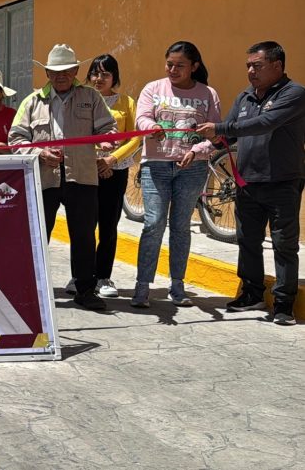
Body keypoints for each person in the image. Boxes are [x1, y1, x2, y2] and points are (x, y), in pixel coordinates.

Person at [197, 41, 305, 325]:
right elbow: (230, 135)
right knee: (248, 241)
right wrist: (205, 137)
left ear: (277, 66)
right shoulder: (245, 96)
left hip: (283, 182)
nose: (250, 71)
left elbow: (266, 123)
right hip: (247, 182)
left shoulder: (294, 94)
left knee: (284, 244)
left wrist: (220, 128)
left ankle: (283, 304)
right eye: (248, 65)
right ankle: (252, 292)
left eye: (256, 65)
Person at [8, 44, 117, 311]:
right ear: (46, 72)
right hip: (43, 178)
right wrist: (39, 153)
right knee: (37, 235)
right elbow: (15, 139)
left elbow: (108, 127)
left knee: (83, 236)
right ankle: (29, 288)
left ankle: (85, 290)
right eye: (55, 72)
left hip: (82, 176)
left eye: (66, 71)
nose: (60, 76)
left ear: (76, 70)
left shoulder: (90, 97)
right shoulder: (32, 101)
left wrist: (106, 142)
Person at [131, 41, 222, 308]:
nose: (173, 69)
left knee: (181, 227)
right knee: (153, 224)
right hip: (156, 166)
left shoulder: (208, 94)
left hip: (192, 169)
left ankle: (177, 286)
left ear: (194, 66)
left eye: (180, 65)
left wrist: (197, 150)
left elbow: (213, 133)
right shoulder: (153, 88)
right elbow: (142, 118)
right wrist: (152, 127)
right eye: (169, 64)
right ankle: (142, 286)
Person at [84, 54, 141, 298]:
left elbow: (136, 137)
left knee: (108, 225)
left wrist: (110, 160)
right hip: (85, 169)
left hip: (114, 171)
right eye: (95, 73)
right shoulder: (82, 100)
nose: (99, 78)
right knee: (84, 225)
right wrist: (94, 161)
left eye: (105, 74)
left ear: (114, 77)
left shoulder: (127, 102)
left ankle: (103, 277)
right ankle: (82, 275)